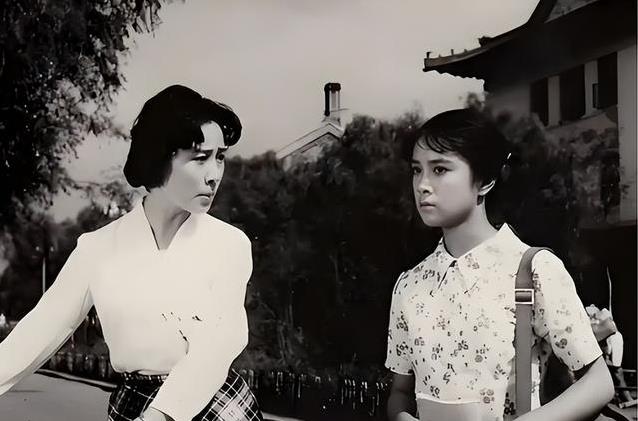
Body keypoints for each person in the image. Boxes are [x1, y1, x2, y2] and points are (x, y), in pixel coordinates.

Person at [0, 85, 263, 421]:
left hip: (212, 404)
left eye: (220, 157)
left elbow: (217, 347)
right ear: (159, 158)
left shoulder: (229, 244)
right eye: (200, 159)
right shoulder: (97, 249)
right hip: (133, 405)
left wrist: (158, 416)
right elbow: (38, 331)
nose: (214, 176)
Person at [385, 108, 614, 421]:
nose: (422, 185)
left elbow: (598, 383)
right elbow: (400, 391)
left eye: (439, 169)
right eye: (416, 170)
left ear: (485, 181)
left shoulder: (533, 270)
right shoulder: (409, 286)